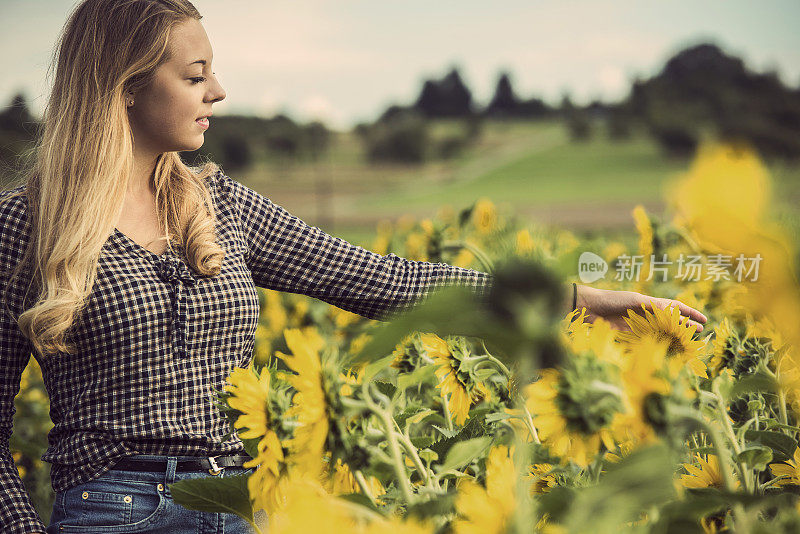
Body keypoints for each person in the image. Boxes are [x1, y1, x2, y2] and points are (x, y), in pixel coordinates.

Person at [0, 1, 708, 532]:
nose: (218, 92)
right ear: (125, 84)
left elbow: (392, 283)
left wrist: (580, 299)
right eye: (196, 75)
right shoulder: (27, 225)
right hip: (109, 510)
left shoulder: (222, 206)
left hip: (236, 500)